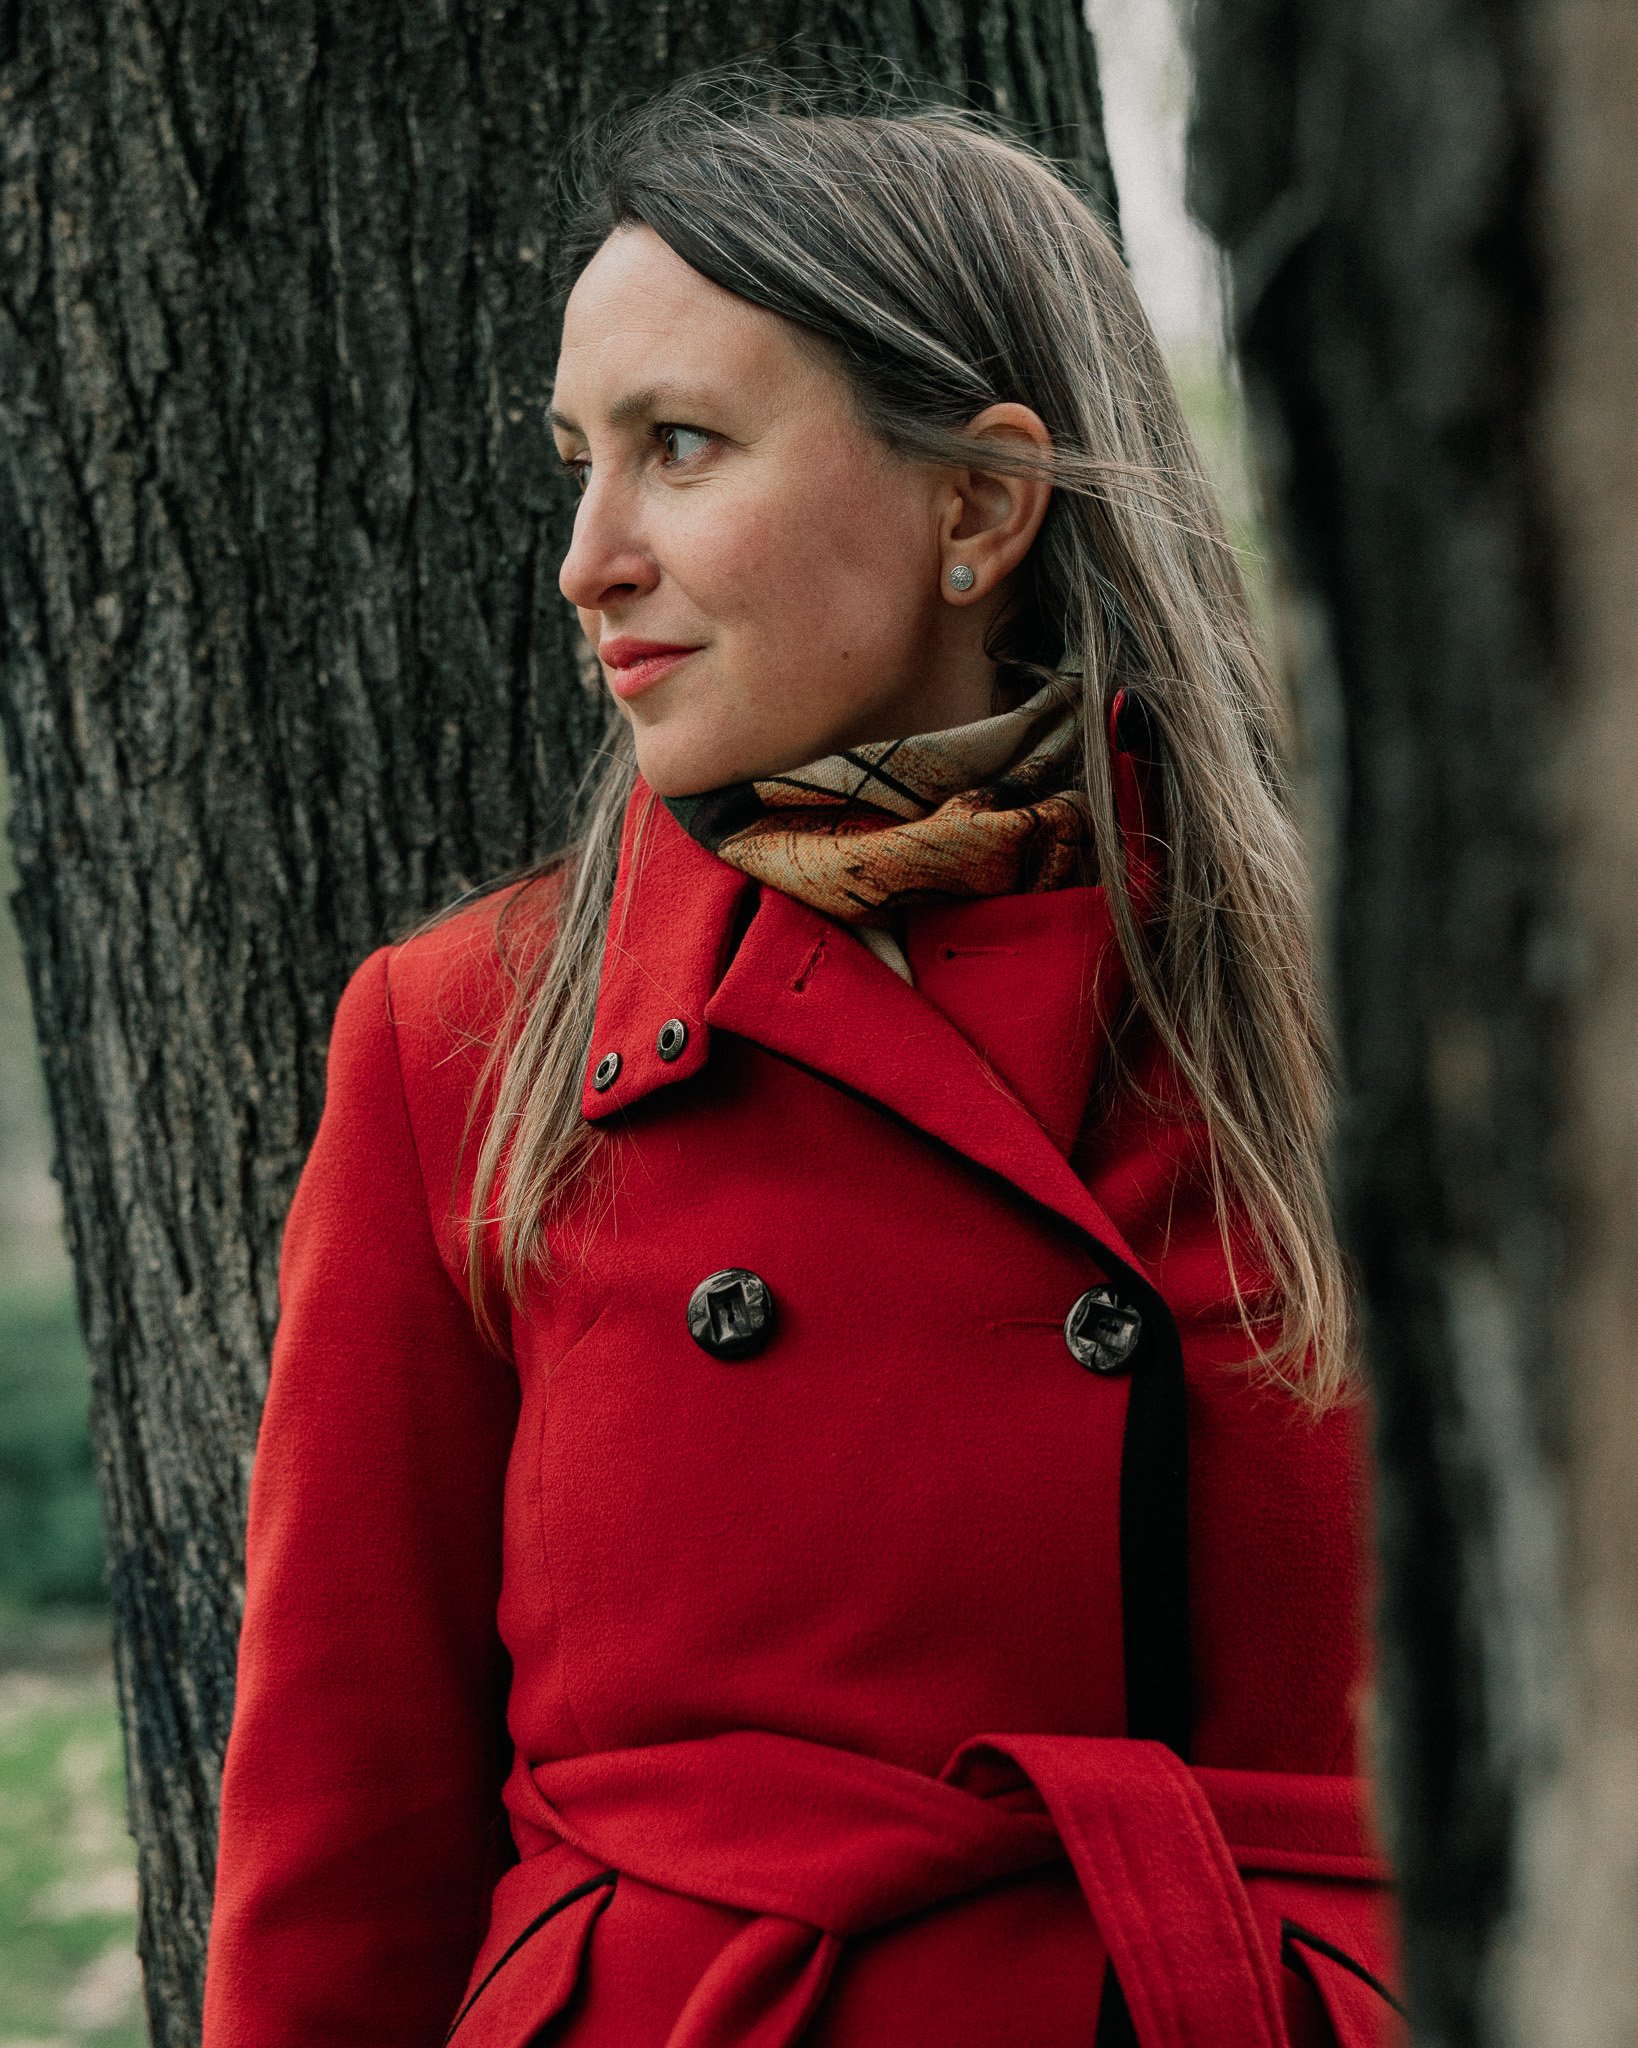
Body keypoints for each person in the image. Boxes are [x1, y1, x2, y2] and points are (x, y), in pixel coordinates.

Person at [201, 81, 1403, 2048]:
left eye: (679, 448)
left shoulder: (1384, 1023)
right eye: (578, 463)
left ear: (978, 507)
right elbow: (348, 1843)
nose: (588, 557)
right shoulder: (463, 1040)